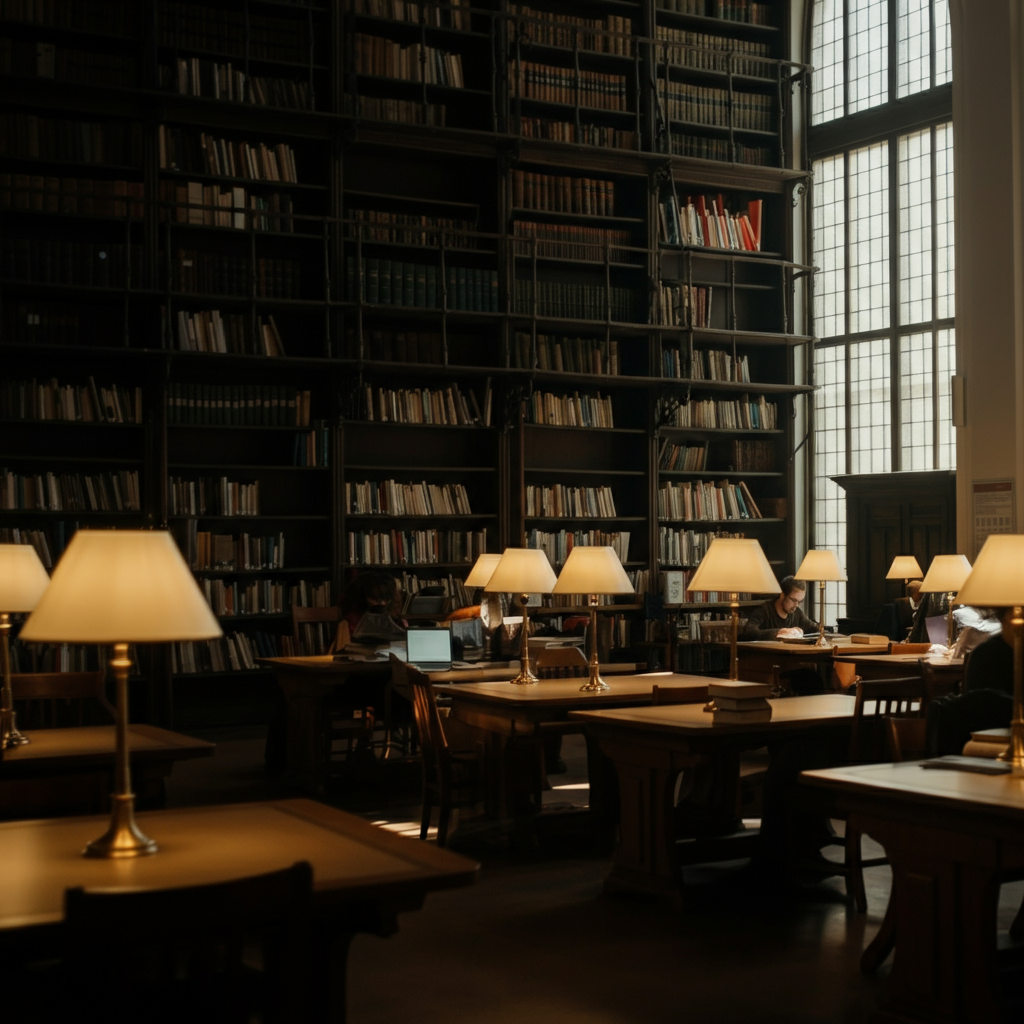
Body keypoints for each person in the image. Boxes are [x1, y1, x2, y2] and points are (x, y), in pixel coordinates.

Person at [739, 575, 818, 641]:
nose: (796, 605)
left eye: (800, 601)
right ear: (782, 595)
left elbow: (813, 627)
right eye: (793, 600)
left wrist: (822, 630)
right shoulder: (765, 610)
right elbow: (749, 632)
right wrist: (779, 632)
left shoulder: (797, 613)